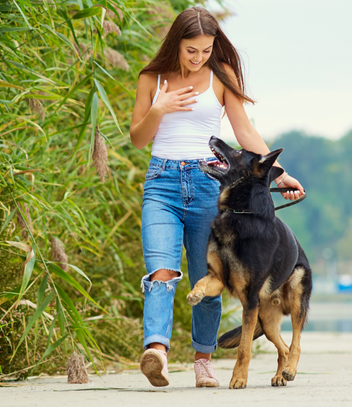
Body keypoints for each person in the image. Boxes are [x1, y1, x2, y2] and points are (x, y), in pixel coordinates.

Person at [129, 6, 305, 388]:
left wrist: (280, 173)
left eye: (206, 50)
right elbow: (138, 139)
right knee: (161, 272)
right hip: (162, 183)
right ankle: (156, 351)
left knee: (210, 278)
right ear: (177, 43)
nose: (199, 57)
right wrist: (158, 108)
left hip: (208, 186)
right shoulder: (151, 79)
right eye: (192, 50)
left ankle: (203, 361)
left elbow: (244, 132)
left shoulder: (220, 78)